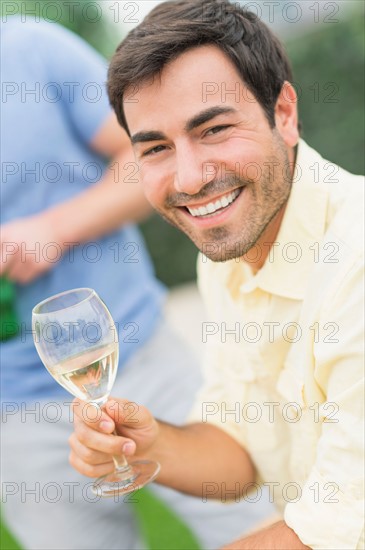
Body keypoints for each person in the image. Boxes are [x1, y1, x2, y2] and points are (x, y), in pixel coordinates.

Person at [68, 1, 365, 549]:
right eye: (155, 148)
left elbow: (340, 527)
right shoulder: (228, 256)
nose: (189, 178)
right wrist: (148, 443)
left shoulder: (356, 263)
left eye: (214, 129)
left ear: (284, 114)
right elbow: (238, 459)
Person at [0, 16, 272, 550]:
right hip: (14, 413)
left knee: (257, 520)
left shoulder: (28, 50)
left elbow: (149, 158)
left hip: (137, 352)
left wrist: (53, 229)